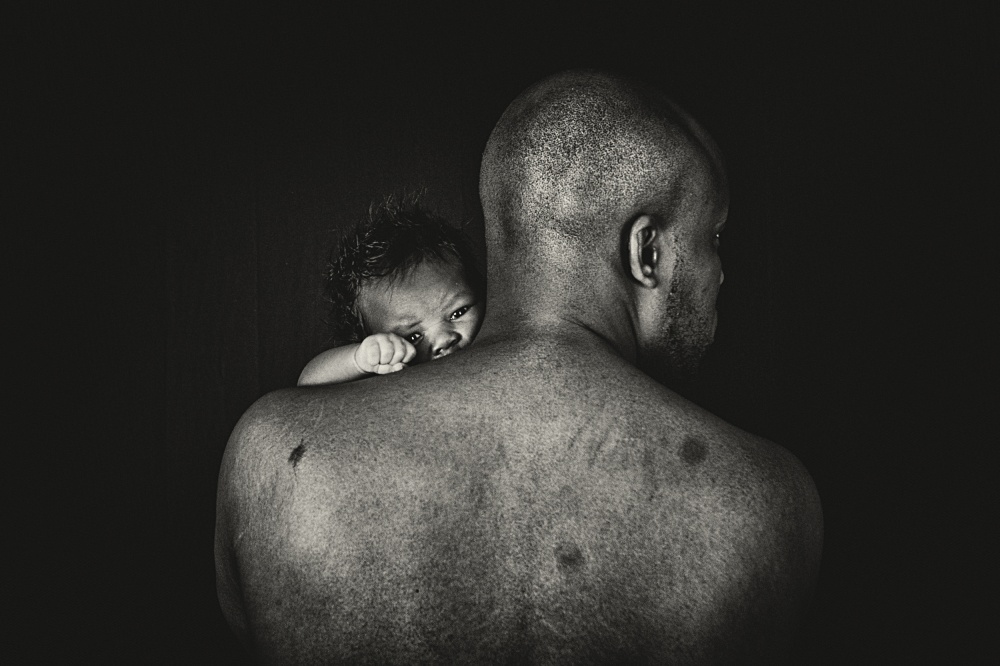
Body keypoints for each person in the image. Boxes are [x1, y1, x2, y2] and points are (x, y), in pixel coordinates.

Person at [215, 69, 823, 664]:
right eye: (713, 238)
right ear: (648, 251)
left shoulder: (272, 458)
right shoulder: (767, 504)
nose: (722, 273)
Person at [297, 197, 484, 385]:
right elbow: (308, 384)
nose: (443, 339)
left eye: (458, 312)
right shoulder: (385, 367)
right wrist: (360, 360)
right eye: (413, 337)